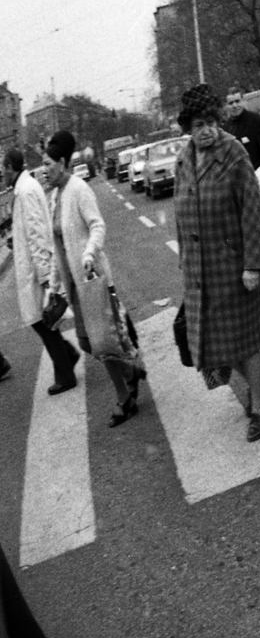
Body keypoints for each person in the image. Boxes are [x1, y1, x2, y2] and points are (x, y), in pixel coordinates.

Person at [173, 86, 260, 440]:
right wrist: (185, 262)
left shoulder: (233, 153)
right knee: (219, 342)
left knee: (244, 342)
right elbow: (179, 210)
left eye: (212, 122)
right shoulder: (183, 159)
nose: (207, 130)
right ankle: (256, 380)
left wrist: (254, 265)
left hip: (233, 267)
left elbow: (252, 211)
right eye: (199, 124)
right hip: (201, 271)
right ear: (188, 126)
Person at [42, 130, 145, 427]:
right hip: (74, 284)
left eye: (48, 164)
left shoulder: (78, 190)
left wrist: (88, 253)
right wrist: (53, 286)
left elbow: (97, 226)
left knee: (103, 343)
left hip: (93, 279)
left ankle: (124, 397)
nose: (44, 170)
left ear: (62, 162)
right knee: (90, 345)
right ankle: (131, 371)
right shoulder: (54, 198)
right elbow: (56, 248)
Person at [7, 148, 77, 392]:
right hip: (34, 266)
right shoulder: (24, 188)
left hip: (36, 270)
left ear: (9, 168)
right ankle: (68, 358)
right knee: (44, 322)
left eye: (2, 170)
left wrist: (46, 275)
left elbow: (37, 233)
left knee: (44, 322)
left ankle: (66, 374)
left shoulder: (25, 191)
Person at [221, 86, 260, 184]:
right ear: (226, 106)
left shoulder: (256, 121)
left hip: (259, 178)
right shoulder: (225, 129)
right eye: (231, 103)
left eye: (237, 101)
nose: (234, 105)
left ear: (243, 101)